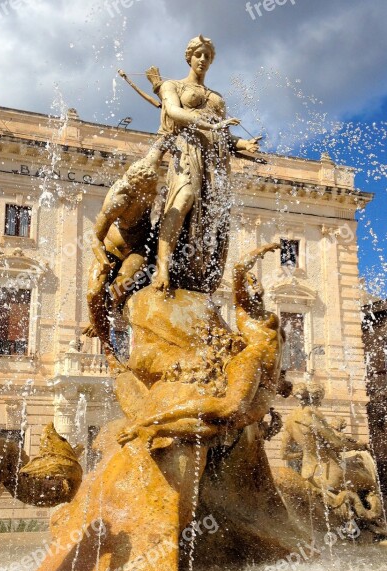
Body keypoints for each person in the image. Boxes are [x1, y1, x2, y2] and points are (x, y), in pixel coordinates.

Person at [117, 243, 285, 446]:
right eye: (251, 284)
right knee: (228, 408)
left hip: (267, 382)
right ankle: (151, 421)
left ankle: (158, 428)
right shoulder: (244, 313)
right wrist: (258, 252)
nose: (255, 288)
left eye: (256, 284)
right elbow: (239, 269)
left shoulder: (267, 318)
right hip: (250, 363)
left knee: (223, 427)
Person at [151, 35, 262, 294]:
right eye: (198, 54)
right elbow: (175, 113)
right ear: (189, 56)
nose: (203, 59)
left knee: (212, 217)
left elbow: (223, 135)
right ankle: (162, 268)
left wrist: (245, 144)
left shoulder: (216, 98)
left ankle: (195, 270)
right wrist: (209, 123)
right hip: (186, 152)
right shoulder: (172, 85)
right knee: (184, 197)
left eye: (207, 56)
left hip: (215, 160)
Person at [83, 142, 167, 366]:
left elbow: (159, 146)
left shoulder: (149, 180)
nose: (150, 196)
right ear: (135, 188)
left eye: (152, 190)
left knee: (118, 290)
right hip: (110, 249)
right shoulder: (118, 199)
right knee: (93, 295)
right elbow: (95, 238)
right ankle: (107, 344)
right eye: (147, 192)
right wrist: (103, 262)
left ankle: (105, 317)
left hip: (137, 249)